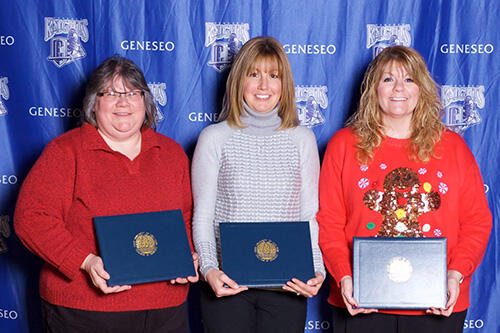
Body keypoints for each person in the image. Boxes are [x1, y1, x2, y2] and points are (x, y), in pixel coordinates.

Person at [14, 55, 198, 333]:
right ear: (93, 103)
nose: (123, 102)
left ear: (146, 102)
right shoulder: (65, 152)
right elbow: (31, 219)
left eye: (132, 93)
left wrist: (189, 255)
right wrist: (84, 261)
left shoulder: (172, 154)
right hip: (85, 311)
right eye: (110, 93)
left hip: (164, 309)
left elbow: (184, 218)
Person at [316, 45, 492, 333]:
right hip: (361, 299)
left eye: (409, 79)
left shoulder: (453, 147)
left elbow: (477, 222)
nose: (398, 88)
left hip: (436, 299)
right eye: (387, 79)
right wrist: (344, 276)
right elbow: (329, 222)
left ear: (421, 88)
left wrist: (455, 275)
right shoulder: (343, 145)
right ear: (373, 88)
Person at [191, 36, 325, 333]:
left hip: (288, 284)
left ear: (284, 84)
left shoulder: (302, 139)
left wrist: (316, 268)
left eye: (273, 76)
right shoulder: (215, 138)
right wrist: (209, 270)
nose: (264, 86)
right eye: (254, 74)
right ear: (240, 80)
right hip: (227, 285)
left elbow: (308, 216)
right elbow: (203, 216)